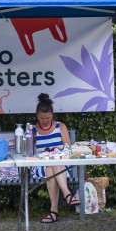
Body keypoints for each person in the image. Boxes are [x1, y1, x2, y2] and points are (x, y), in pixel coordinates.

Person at [31, 93, 80, 223]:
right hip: (40, 165)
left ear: (52, 115)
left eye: (48, 118)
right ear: (37, 116)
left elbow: (68, 149)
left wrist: (56, 153)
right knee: (50, 165)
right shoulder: (33, 131)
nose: (45, 121)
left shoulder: (60, 127)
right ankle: (67, 194)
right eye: (42, 118)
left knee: (53, 163)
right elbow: (30, 152)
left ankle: (54, 211)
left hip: (61, 165)